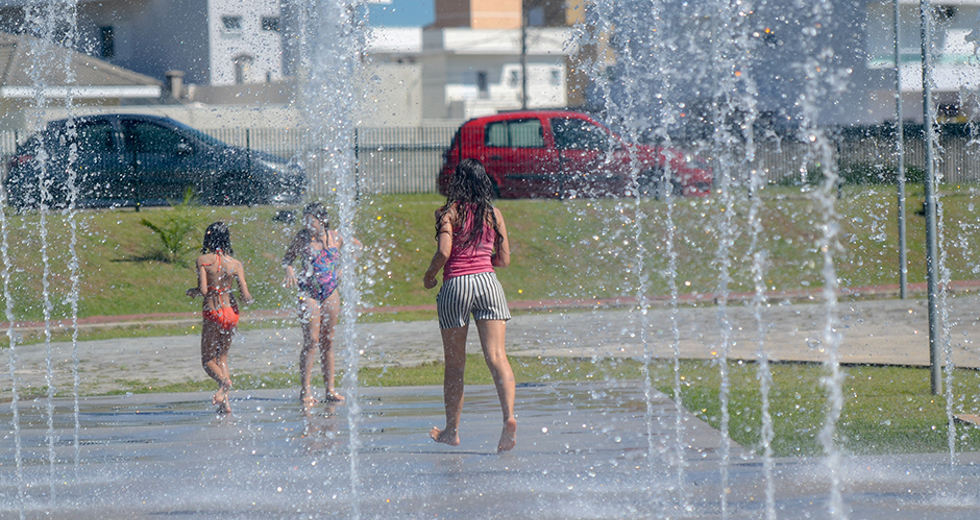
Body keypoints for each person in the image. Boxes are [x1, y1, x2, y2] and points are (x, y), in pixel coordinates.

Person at [423, 158, 516, 453]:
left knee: (455, 364)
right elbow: (503, 260)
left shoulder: (447, 213)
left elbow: (444, 251)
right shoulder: (494, 214)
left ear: (456, 182)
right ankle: (509, 418)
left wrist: (429, 275)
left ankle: (452, 431)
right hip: (488, 284)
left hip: (456, 286)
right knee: (497, 356)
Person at [282, 202, 358, 410]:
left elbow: (357, 247)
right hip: (308, 294)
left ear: (321, 220)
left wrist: (344, 267)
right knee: (311, 341)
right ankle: (305, 389)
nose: (307, 223)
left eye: (311, 220)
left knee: (328, 341)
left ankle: (330, 390)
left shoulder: (335, 236)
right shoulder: (302, 238)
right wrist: (289, 270)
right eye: (305, 219)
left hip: (331, 293)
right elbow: (287, 259)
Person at [187, 222, 252, 414]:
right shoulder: (236, 264)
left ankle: (224, 383)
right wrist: (248, 299)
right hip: (232, 313)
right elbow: (246, 297)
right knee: (222, 357)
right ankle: (225, 404)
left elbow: (205, 290)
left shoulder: (203, 260)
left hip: (214, 312)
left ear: (208, 238)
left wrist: (193, 291)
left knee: (208, 359)